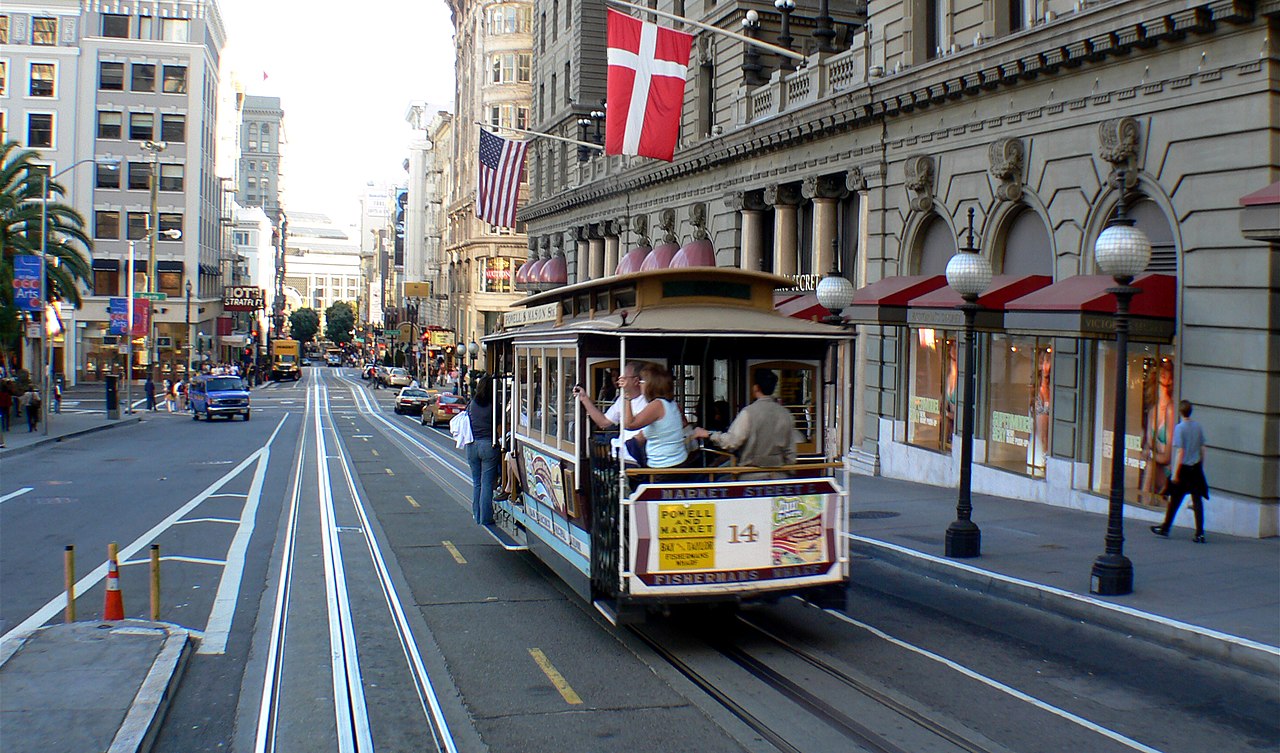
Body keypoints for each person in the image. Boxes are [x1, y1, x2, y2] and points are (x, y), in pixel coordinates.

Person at [693, 369, 796, 480]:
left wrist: (709, 434)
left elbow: (732, 442)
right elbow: (790, 452)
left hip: (751, 476)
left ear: (756, 388)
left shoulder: (748, 413)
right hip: (779, 476)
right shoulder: (786, 414)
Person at [1151, 400, 1209, 543]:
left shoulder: (1180, 428)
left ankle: (1165, 527)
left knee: (1175, 500)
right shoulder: (1198, 427)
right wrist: (1201, 464)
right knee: (1197, 502)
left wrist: (1175, 473)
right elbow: (1203, 448)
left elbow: (1180, 452)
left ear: (1181, 412)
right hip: (1196, 468)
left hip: (1183, 469)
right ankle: (1200, 533)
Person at [574, 361, 650, 465]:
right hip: (620, 456)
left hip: (635, 459)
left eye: (624, 378)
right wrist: (584, 399)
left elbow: (633, 428)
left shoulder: (648, 402)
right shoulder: (621, 400)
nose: (620, 380)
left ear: (636, 380)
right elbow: (604, 422)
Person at [622, 364, 688, 474]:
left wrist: (627, 396)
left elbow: (630, 424)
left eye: (642, 381)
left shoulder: (657, 405)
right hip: (677, 463)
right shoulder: (672, 404)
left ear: (650, 384)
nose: (639, 384)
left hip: (664, 468)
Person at [466, 374, 500, 526]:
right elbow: (501, 424)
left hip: (472, 445)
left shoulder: (472, 403)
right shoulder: (494, 405)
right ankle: (486, 518)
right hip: (488, 445)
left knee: (477, 483)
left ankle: (477, 514)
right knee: (487, 483)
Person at [1143, 359, 1177, 500]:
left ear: (1171, 380)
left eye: (1168, 369)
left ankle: (1143, 498)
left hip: (1166, 474)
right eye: (1162, 367)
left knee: (1150, 465)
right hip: (1154, 470)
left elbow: (1168, 456)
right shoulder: (1152, 410)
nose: (1164, 371)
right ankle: (1143, 498)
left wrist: (1150, 455)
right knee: (1150, 466)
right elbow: (1147, 447)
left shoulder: (1170, 409)